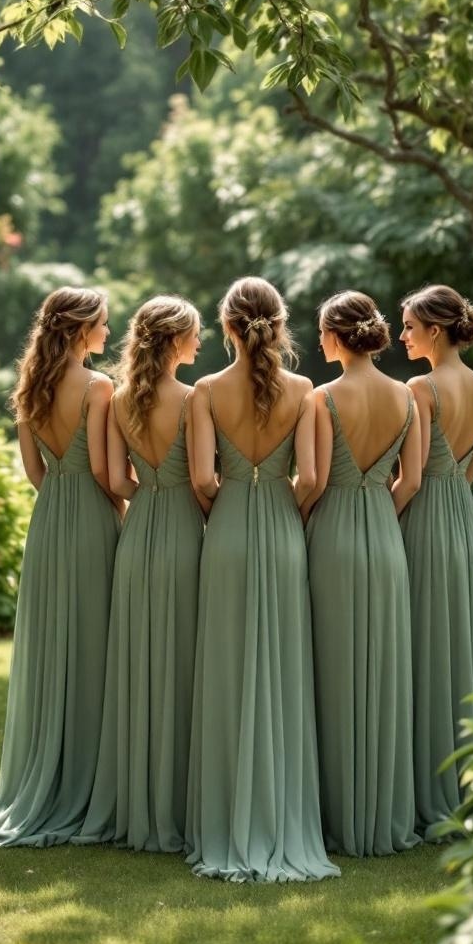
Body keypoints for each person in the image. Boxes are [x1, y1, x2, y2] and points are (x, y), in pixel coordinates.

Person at [185, 276, 340, 883]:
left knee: (225, 668)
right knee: (282, 668)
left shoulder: (203, 390)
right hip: (282, 531)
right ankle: (281, 814)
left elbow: (201, 478)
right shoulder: (304, 390)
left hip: (225, 530)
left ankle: (224, 819)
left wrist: (223, 514)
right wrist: (287, 513)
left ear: (227, 326)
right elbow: (312, 477)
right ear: (279, 324)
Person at [0, 286, 121, 846]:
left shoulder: (30, 388)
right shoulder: (99, 387)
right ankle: (91, 779)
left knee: (55, 643)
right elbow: (105, 471)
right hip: (95, 520)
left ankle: (47, 775)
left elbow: (34, 471)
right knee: (96, 644)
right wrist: (119, 514)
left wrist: (61, 503)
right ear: (81, 330)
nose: (107, 332)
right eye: (101, 324)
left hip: (49, 519)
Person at [72, 295, 205, 852]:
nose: (200, 344)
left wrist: (146, 492)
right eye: (195, 335)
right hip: (183, 533)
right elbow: (203, 480)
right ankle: (178, 802)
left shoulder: (119, 397)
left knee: (139, 667)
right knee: (182, 668)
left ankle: (136, 803)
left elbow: (109, 475)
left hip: (138, 534)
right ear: (176, 341)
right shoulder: (196, 400)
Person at [302, 290, 422, 857]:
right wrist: (379, 516)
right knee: (381, 671)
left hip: (332, 536)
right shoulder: (407, 397)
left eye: (321, 332)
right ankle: (383, 814)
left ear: (334, 334)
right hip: (385, 536)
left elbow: (315, 481)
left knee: (333, 671)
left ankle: (336, 817)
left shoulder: (323, 399)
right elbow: (413, 480)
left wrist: (303, 522)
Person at [399, 284, 473, 839]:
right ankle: (472, 782)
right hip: (462, 520)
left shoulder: (421, 386)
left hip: (425, 523)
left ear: (434, 330)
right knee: (459, 649)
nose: (403, 335)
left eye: (410, 327)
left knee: (425, 649)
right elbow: (470, 471)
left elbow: (409, 477)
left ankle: (425, 790)